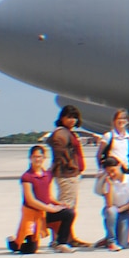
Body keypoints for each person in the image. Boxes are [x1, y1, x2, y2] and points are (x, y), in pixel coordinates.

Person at [7, 145, 63, 254]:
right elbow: (30, 200)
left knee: (68, 213)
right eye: (34, 157)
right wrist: (50, 209)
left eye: (39, 156)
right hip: (31, 213)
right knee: (29, 249)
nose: (37, 159)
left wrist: (59, 204)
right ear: (30, 158)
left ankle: (61, 241)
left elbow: (48, 196)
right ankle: (12, 242)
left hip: (43, 212)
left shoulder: (47, 175)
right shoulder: (27, 177)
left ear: (44, 158)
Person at [46, 105, 89, 250]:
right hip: (66, 175)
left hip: (71, 174)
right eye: (69, 117)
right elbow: (59, 154)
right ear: (62, 117)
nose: (72, 120)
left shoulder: (67, 132)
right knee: (66, 209)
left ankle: (68, 237)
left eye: (74, 117)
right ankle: (61, 238)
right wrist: (70, 165)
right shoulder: (61, 133)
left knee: (68, 207)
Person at [95, 156, 129, 251]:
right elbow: (109, 204)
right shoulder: (107, 182)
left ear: (119, 166)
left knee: (123, 244)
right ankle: (111, 241)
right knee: (111, 211)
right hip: (113, 209)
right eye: (108, 172)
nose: (111, 174)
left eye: (113, 170)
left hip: (124, 209)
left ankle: (108, 238)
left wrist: (123, 208)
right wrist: (110, 185)